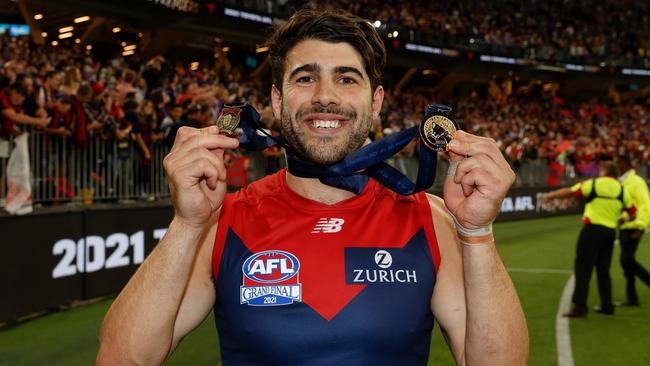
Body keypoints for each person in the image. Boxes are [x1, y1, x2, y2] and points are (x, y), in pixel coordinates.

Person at [97, 9, 528, 365]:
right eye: (305, 78)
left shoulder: (428, 219)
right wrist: (186, 224)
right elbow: (121, 360)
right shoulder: (223, 222)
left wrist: (476, 233)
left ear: (375, 101)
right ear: (278, 100)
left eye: (346, 78)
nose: (326, 96)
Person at [544, 162, 636, 317]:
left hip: (592, 230)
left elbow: (570, 191)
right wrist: (621, 220)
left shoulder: (594, 183)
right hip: (610, 232)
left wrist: (550, 196)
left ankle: (580, 307)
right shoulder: (622, 189)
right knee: (603, 270)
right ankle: (607, 306)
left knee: (583, 268)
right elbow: (633, 212)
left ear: (605, 171)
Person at [616, 155, 650, 306]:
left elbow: (645, 205)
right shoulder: (619, 182)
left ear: (625, 164)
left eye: (618, 163)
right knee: (626, 264)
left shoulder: (637, 182)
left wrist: (640, 226)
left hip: (634, 226)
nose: (617, 166)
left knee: (627, 260)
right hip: (624, 226)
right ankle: (632, 298)